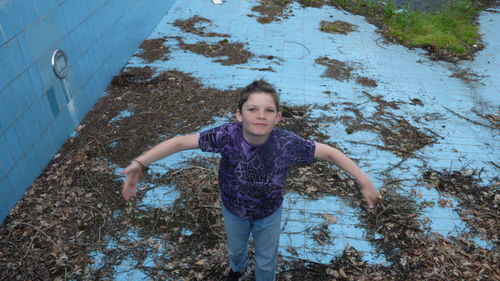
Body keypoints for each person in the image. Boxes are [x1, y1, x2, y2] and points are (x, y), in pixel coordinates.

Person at [121, 79, 379, 281]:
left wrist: (364, 180)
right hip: (233, 210)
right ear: (239, 115)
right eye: (252, 109)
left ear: (278, 117)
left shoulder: (286, 143)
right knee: (235, 250)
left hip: (269, 212)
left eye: (269, 110)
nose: (261, 115)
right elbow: (179, 142)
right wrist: (141, 164)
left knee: (267, 260)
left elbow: (331, 153)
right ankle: (238, 270)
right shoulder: (226, 136)